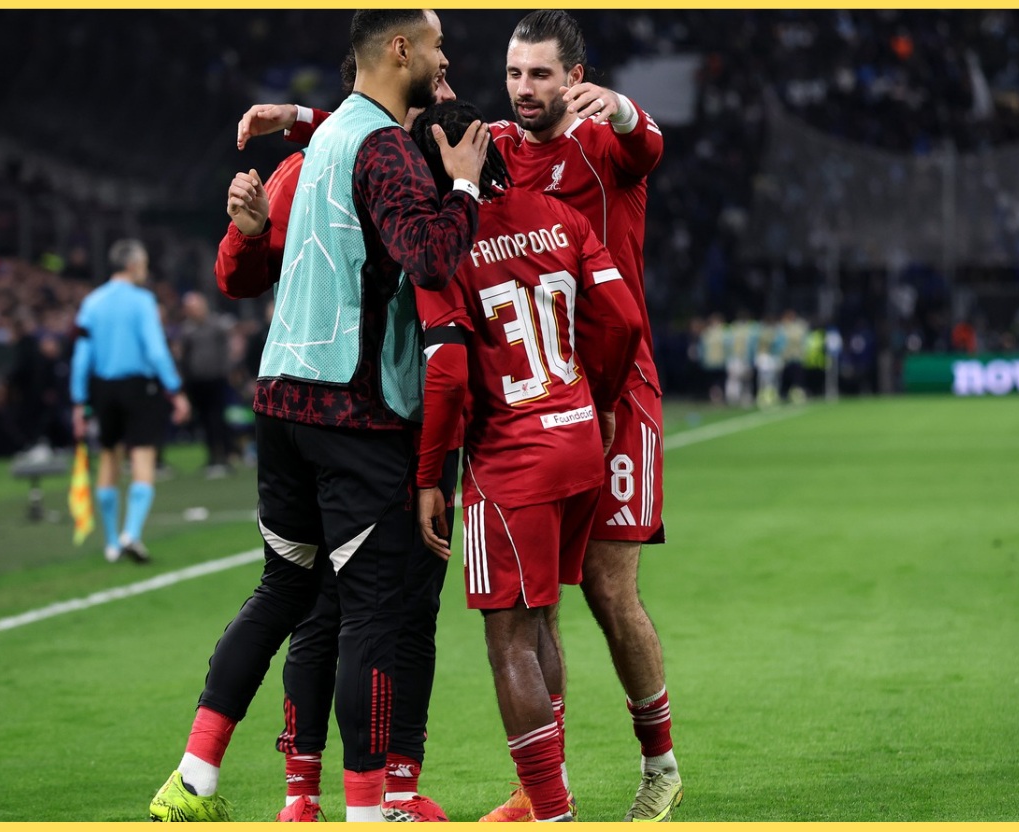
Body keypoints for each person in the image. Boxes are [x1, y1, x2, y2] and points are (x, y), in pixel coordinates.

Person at [238, 11, 682, 822]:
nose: (522, 90)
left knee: (606, 595)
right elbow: (413, 123)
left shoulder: (599, 148)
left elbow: (648, 147)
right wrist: (301, 119)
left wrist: (620, 110)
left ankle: (649, 768)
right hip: (576, 409)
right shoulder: (501, 155)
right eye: (513, 74)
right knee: (537, 606)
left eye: (541, 76)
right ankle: (541, 789)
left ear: (573, 78)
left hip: (601, 404)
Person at [148, 9, 486, 823]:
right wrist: (468, 186)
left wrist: (295, 117)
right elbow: (433, 253)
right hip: (351, 410)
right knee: (372, 613)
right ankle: (370, 812)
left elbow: (258, 251)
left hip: (278, 402)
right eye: (437, 45)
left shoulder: (327, 142)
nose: (445, 59)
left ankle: (193, 778)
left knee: (284, 591)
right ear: (400, 50)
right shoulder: (382, 148)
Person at [219, 57, 460, 823]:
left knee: (356, 608)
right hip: (369, 418)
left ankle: (358, 789)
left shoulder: (350, 150)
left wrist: (297, 117)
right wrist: (249, 229)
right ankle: (352, 795)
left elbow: (371, 146)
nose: (449, 87)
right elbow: (236, 271)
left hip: (327, 408)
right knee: (359, 611)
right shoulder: (338, 159)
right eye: (440, 71)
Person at [410, 100, 643, 824]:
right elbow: (626, 318)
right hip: (578, 440)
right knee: (541, 621)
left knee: (507, 637)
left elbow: (446, 373)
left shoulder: (443, 247)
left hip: (510, 460)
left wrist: (429, 478)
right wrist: (600, 400)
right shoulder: (559, 215)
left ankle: (549, 810)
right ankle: (549, 797)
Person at [69, 239, 190, 565]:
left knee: (108, 458)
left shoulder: (91, 303)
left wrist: (79, 401)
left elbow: (82, 356)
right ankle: (131, 533)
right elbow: (155, 350)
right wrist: (175, 390)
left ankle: (110, 543)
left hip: (103, 388)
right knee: (142, 457)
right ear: (135, 265)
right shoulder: (142, 301)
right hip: (139, 388)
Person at [176, 291, 237, 477]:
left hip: (216, 379)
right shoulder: (186, 330)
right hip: (196, 381)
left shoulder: (216, 325)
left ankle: (225, 455)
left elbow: (227, 350)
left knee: (218, 418)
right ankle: (212, 456)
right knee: (204, 420)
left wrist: (228, 370)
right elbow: (183, 357)